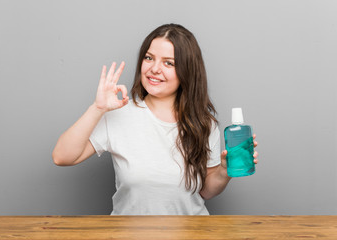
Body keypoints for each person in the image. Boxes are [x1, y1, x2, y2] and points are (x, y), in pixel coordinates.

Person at [52, 23, 258, 215]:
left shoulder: (204, 123)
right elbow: (62, 157)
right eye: (149, 58)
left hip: (191, 233)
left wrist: (225, 169)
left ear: (187, 72)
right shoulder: (119, 114)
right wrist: (97, 108)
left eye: (168, 63)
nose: (154, 69)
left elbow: (205, 191)